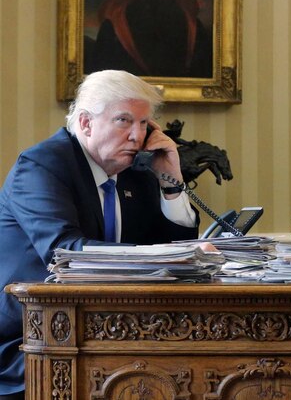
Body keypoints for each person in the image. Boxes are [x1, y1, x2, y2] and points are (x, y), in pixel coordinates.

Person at [0, 70, 200, 399]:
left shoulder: (137, 174)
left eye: (144, 124)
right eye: (124, 121)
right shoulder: (42, 165)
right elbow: (65, 253)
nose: (137, 136)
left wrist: (171, 182)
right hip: (27, 339)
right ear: (86, 122)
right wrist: (155, 257)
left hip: (105, 330)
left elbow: (173, 249)